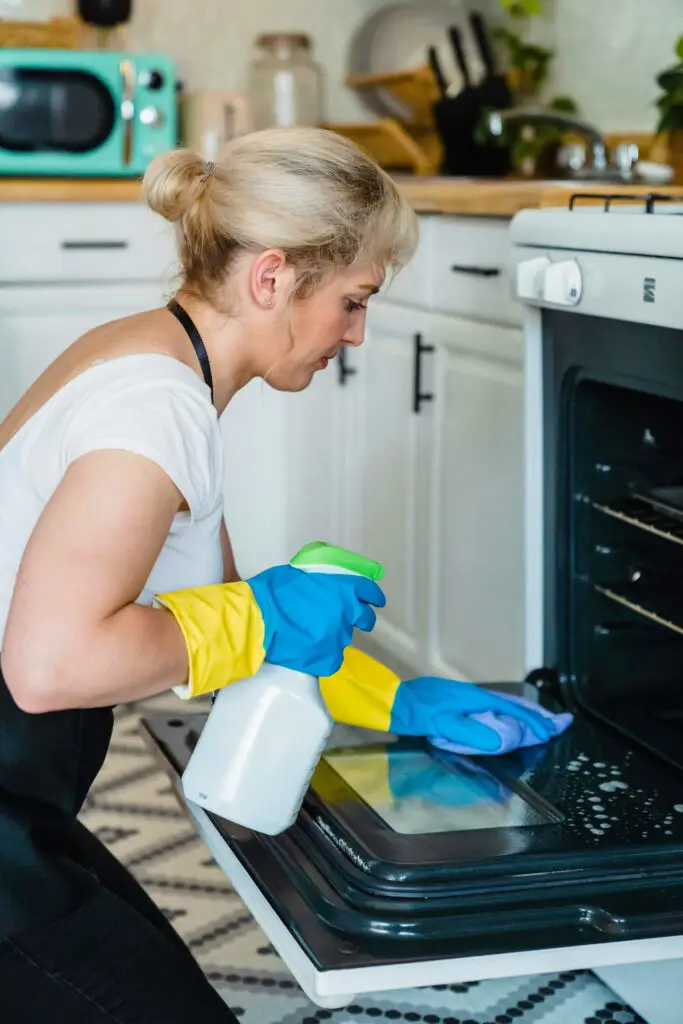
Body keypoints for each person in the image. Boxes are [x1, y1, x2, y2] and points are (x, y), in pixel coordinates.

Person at [0, 126, 554, 1021]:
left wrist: (394, 704)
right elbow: (50, 664)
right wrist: (260, 610)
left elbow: (214, 623)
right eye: (353, 300)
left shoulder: (156, 363)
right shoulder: (155, 407)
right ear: (272, 277)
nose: (359, 333)